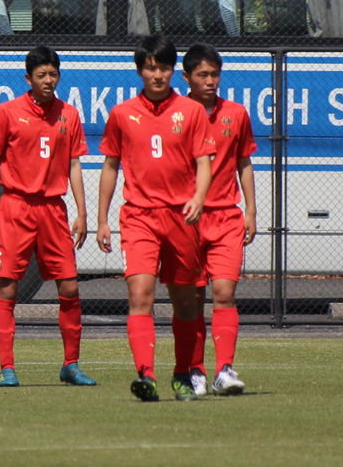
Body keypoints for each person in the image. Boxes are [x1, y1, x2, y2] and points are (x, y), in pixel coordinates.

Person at [96, 35, 214, 402]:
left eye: (163, 67)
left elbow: (204, 162)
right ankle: (145, 375)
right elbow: (110, 165)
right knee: (140, 295)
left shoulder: (192, 111)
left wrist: (198, 198)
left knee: (186, 301)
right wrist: (102, 219)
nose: (157, 75)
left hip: (181, 218)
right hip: (139, 217)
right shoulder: (122, 113)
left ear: (173, 71)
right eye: (150, 68)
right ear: (139, 71)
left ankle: (182, 374)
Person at [0, 45, 95, 387]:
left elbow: (74, 164)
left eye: (53, 74)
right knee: (8, 288)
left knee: (69, 286)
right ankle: (7, 368)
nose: (48, 80)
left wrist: (82, 212)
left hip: (53, 210)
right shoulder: (8, 112)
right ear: (28, 78)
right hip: (16, 207)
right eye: (41, 75)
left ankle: (71, 364)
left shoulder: (69, 114)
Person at [182, 44, 256, 396]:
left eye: (215, 74)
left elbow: (244, 162)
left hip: (227, 217)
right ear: (187, 77)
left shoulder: (236, 114)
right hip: (188, 220)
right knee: (193, 298)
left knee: (224, 293)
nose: (210, 81)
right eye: (203, 75)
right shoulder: (176, 115)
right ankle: (195, 371)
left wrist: (251, 211)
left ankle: (224, 370)